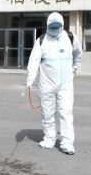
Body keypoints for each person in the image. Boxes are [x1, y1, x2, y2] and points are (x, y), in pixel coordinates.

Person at [26, 12, 82, 155]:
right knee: (47, 113)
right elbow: (33, 61)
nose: (55, 29)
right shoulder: (42, 40)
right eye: (52, 27)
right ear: (47, 26)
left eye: (57, 27)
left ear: (62, 25)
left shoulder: (70, 38)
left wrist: (75, 67)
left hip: (66, 84)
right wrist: (30, 79)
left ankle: (67, 142)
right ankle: (49, 138)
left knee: (66, 112)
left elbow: (78, 54)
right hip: (46, 85)